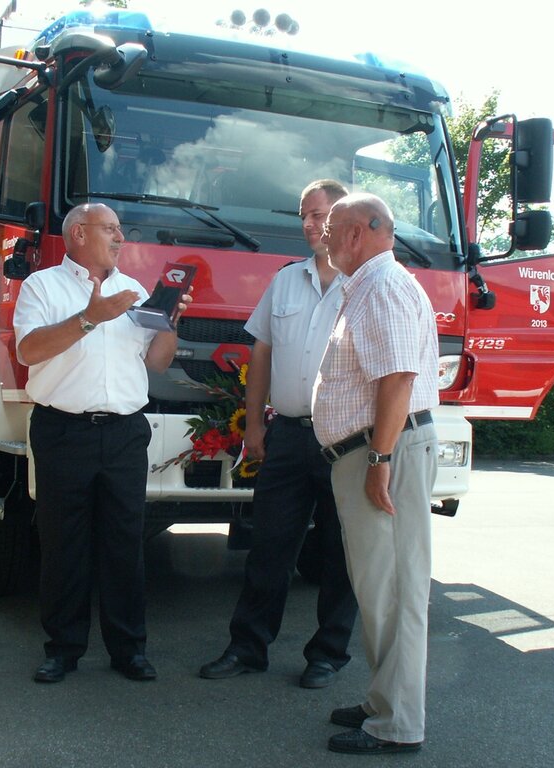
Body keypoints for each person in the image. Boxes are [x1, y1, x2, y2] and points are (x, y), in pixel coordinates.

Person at [14, 203, 189, 684]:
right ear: (77, 234)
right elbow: (29, 351)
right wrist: (89, 318)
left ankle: (128, 650)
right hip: (63, 431)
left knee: (124, 544)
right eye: (109, 229)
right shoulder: (42, 286)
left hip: (125, 433)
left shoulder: (133, 293)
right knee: (63, 544)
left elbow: (156, 361)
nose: (118, 238)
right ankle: (63, 650)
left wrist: (170, 322)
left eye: (119, 231)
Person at [199, 179, 358, 688]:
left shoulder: (369, 284)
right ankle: (247, 648)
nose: (309, 225)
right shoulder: (286, 282)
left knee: (340, 554)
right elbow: (261, 354)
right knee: (269, 549)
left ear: (346, 218)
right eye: (304, 216)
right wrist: (255, 427)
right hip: (287, 436)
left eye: (319, 214)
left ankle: (328, 655)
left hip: (346, 440)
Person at [313, 193, 438, 755]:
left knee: (394, 591)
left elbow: (397, 380)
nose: (324, 236)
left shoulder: (382, 286)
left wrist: (379, 461)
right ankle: (382, 700)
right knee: (378, 588)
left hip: (386, 450)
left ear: (360, 233)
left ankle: (397, 723)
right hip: (375, 449)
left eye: (333, 228)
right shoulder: (368, 285)